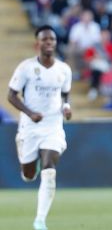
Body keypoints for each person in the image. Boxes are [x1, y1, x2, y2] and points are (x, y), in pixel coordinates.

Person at [7, 25, 72, 230]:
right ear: (38, 44)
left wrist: (67, 108)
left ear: (55, 43)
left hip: (53, 125)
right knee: (28, 175)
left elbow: (65, 94)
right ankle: (28, 162)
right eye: (45, 40)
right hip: (30, 127)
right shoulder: (26, 68)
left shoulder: (64, 69)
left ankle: (40, 220)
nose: (49, 43)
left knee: (49, 170)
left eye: (52, 39)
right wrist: (30, 113)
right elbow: (11, 95)